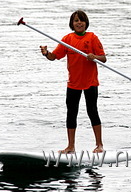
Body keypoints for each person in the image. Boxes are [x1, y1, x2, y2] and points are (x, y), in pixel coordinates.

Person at [40, 10, 107, 153]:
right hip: (73, 83)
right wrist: (46, 53)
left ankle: (99, 145)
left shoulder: (92, 38)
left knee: (92, 111)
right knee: (71, 113)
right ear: (72, 24)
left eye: (81, 20)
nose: (79, 23)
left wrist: (94, 56)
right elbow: (54, 57)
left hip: (90, 82)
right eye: (76, 20)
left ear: (86, 23)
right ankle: (71, 147)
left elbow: (103, 58)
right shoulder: (67, 39)